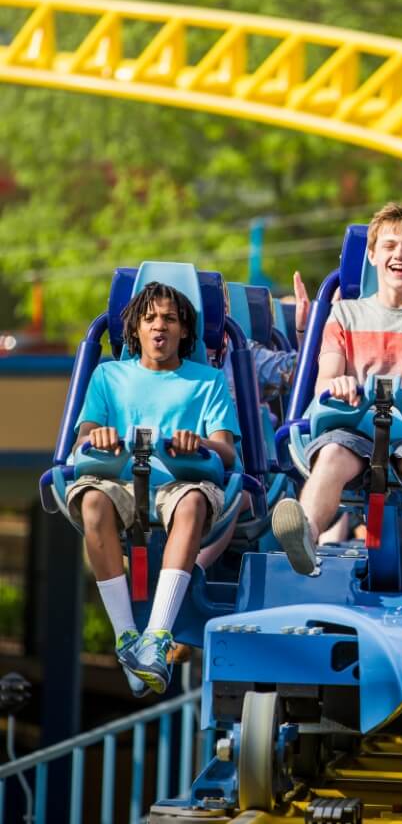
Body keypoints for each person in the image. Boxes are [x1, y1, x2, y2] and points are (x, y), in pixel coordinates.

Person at [271, 199, 402, 572]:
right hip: (355, 426)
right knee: (330, 457)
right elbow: (325, 380)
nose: (400, 255)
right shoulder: (344, 313)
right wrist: (341, 382)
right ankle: (306, 532)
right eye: (390, 246)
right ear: (373, 256)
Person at [69, 282, 240, 696]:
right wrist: (102, 439)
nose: (159, 326)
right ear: (136, 330)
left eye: (169, 319)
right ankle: (128, 636)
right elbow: (80, 445)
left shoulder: (208, 381)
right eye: (150, 319)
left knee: (194, 502)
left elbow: (227, 453)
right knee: (92, 499)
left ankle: (157, 636)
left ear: (184, 330)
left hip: (181, 483)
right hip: (120, 481)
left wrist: (197, 443)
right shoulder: (108, 377)